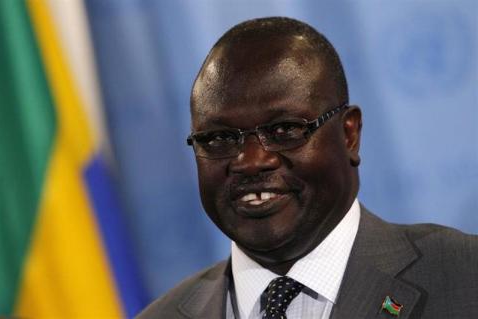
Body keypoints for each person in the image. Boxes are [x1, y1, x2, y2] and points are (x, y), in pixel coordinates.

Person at [137, 17, 478, 319]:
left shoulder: (466, 277)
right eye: (219, 138)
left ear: (349, 134)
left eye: (284, 130)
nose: (252, 161)